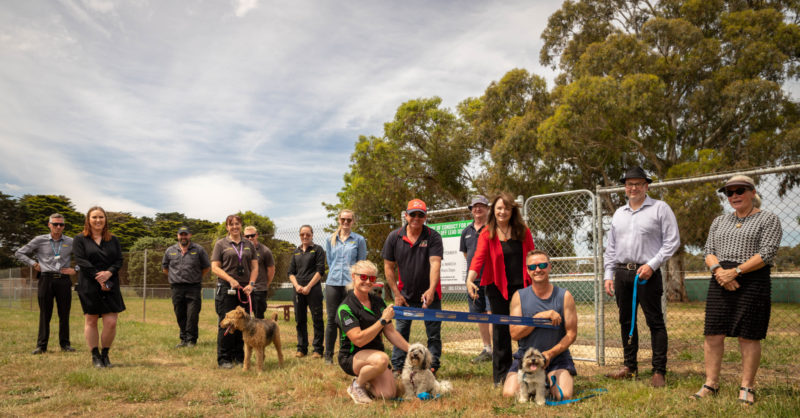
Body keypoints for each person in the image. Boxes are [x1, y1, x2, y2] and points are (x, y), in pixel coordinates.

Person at [692, 175, 782, 405]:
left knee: (749, 335)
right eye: (729, 193)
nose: (734, 196)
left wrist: (737, 272)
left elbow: (767, 253)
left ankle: (747, 387)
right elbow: (708, 251)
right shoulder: (719, 221)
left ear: (752, 192)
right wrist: (720, 271)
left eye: (739, 191)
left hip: (753, 279)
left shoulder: (768, 219)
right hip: (720, 277)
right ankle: (711, 383)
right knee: (713, 333)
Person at [603, 166, 680, 387]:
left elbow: (672, 241)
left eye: (638, 183)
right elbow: (611, 247)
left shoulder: (660, 209)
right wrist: (609, 274)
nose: (633, 187)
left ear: (646, 186)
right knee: (626, 321)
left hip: (647, 273)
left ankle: (658, 371)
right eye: (629, 184)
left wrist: (652, 265)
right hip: (621, 273)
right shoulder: (619, 213)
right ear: (625, 188)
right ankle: (630, 367)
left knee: (655, 322)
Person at [466, 192, 535, 386]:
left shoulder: (522, 230)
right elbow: (478, 258)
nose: (502, 212)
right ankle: (501, 377)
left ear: (512, 210)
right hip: (496, 288)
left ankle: (528, 372)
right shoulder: (487, 233)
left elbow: (532, 255)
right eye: (499, 208)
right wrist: (470, 280)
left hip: (522, 288)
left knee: (524, 329)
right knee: (501, 332)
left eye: (506, 208)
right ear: (493, 211)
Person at [503, 250, 578, 400]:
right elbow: (514, 334)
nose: (538, 269)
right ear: (527, 271)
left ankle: (546, 381)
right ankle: (539, 383)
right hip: (526, 358)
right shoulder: (519, 296)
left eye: (542, 265)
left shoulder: (564, 296)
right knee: (509, 394)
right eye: (532, 267)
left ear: (549, 267)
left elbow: (571, 334)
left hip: (556, 358)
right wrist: (538, 318)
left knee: (564, 395)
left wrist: (550, 354)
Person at [383, 198, 444, 373]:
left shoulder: (433, 236)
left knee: (433, 335)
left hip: (430, 296)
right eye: (413, 214)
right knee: (400, 333)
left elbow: (435, 264)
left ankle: (432, 367)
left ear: (425, 217)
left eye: (420, 215)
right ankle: (397, 368)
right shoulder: (394, 237)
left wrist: (431, 289)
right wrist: (396, 293)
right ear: (406, 215)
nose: (416, 218)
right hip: (405, 296)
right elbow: (388, 267)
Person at [336, 260, 410, 404]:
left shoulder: (378, 302)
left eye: (372, 278)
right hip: (352, 356)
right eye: (363, 277)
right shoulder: (345, 307)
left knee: (387, 394)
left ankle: (368, 378)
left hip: (375, 356)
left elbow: (391, 332)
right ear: (353, 277)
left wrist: (412, 349)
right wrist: (382, 320)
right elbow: (358, 339)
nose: (368, 281)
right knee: (382, 360)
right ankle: (357, 385)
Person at [15, 213, 77, 354]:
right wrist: (33, 263)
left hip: (63, 281)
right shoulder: (39, 240)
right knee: (45, 314)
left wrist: (76, 269)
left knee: (64, 313)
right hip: (46, 280)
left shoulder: (71, 241)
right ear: (49, 225)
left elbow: (85, 257)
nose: (58, 227)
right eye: (55, 224)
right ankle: (41, 346)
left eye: (61, 224)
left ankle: (65, 345)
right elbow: (19, 253)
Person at [72, 206, 125, 368]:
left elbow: (119, 260)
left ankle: (105, 355)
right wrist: (98, 276)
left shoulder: (113, 239)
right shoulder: (80, 239)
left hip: (110, 283)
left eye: (101, 217)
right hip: (89, 284)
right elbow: (81, 261)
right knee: (91, 320)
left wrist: (108, 274)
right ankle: (95, 356)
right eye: (94, 217)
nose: (98, 220)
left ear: (105, 220)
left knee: (111, 322)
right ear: (88, 220)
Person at [211, 214, 259, 369]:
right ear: (227, 227)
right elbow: (215, 267)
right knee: (226, 323)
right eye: (231, 224)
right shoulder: (221, 244)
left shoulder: (248, 244)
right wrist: (230, 279)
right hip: (227, 288)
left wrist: (251, 284)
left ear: (241, 226)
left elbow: (255, 267)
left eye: (237, 224)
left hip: (244, 289)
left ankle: (239, 356)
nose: (234, 227)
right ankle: (224, 358)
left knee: (242, 324)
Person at [324, 209, 367, 365]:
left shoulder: (359, 240)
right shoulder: (330, 240)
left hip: (350, 284)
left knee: (348, 319)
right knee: (331, 319)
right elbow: (330, 261)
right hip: (333, 282)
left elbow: (361, 262)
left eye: (349, 220)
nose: (346, 222)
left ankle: (347, 353)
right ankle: (328, 355)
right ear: (339, 220)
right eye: (343, 219)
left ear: (353, 221)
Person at [162, 226, 210, 348]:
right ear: (178, 236)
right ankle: (183, 339)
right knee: (180, 313)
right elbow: (165, 268)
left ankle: (191, 340)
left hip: (193, 287)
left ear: (190, 235)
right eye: (181, 234)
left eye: (186, 234)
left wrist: (196, 277)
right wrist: (175, 278)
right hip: (176, 288)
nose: (183, 237)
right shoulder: (170, 250)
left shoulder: (199, 250)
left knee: (192, 314)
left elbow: (206, 267)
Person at [460, 195, 493, 363]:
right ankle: (487, 349)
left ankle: (498, 349)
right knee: (479, 314)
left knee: (492, 313)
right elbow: (467, 255)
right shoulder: (466, 231)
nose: (478, 209)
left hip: (491, 278)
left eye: (481, 206)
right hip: (474, 281)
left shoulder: (493, 228)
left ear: (487, 209)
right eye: (475, 207)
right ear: (471, 210)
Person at [287, 225, 326, 359]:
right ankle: (302, 348)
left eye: (307, 234)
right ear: (300, 235)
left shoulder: (318, 250)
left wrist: (308, 286)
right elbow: (291, 273)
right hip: (298, 290)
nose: (305, 237)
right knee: (300, 320)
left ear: (312, 235)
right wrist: (297, 285)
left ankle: (318, 349)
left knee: (317, 319)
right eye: (302, 234)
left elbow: (320, 271)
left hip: (313, 289)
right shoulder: (296, 252)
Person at [244, 226, 276, 319]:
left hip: (259, 289)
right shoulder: (242, 250)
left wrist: (266, 284)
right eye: (247, 236)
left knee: (259, 318)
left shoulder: (265, 251)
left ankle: (260, 334)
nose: (250, 238)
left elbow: (271, 270)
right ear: (243, 236)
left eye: (252, 235)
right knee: (244, 317)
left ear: (257, 235)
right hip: (244, 289)